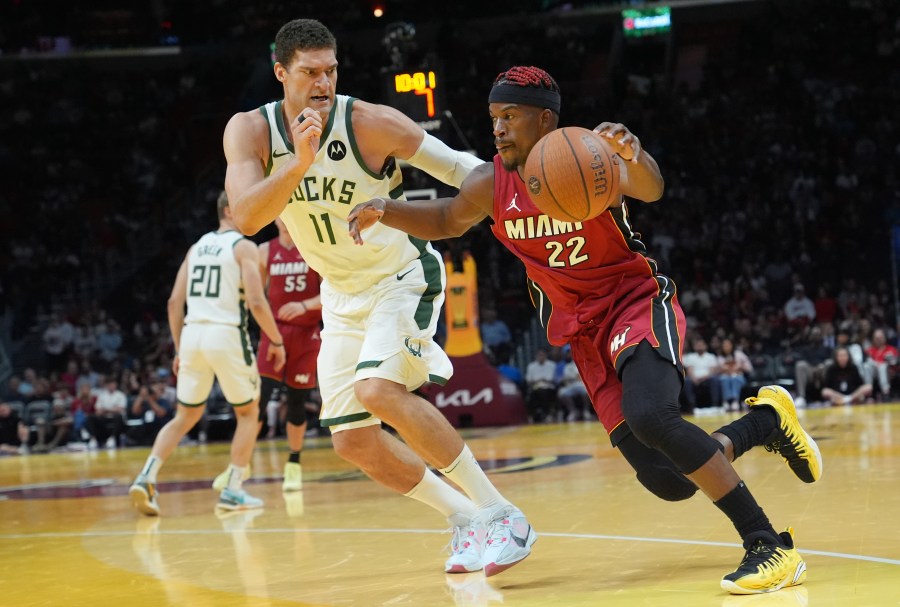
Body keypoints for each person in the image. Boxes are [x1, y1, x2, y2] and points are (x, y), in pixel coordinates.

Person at [348, 65, 823, 595]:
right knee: (669, 480)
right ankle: (763, 423)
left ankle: (769, 545)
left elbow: (651, 186)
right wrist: (386, 209)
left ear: (545, 119)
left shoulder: (587, 155)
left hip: (634, 303)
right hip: (581, 331)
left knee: (653, 417)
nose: (498, 128)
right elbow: (446, 220)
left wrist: (632, 154)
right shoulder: (489, 182)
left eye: (510, 116)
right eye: (493, 118)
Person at [222, 18, 535, 576]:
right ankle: (464, 518)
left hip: (400, 274)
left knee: (378, 390)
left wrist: (532, 196)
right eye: (309, 72)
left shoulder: (370, 122)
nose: (323, 82)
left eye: (331, 70)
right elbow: (246, 218)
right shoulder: (250, 131)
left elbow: (463, 169)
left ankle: (502, 513)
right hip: (341, 294)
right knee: (354, 444)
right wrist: (298, 161)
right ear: (280, 73)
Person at [129, 191, 286, 516]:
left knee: (184, 416)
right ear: (229, 210)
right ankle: (233, 489)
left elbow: (174, 303)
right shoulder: (243, 246)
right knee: (248, 413)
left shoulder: (195, 247)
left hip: (192, 335)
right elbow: (257, 302)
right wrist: (276, 340)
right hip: (225, 333)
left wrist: (177, 347)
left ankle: (146, 477)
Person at [212, 217, 323, 493]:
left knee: (296, 400)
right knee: (257, 402)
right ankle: (239, 465)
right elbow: (254, 297)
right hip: (274, 333)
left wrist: (304, 304)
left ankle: (293, 464)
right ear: (274, 217)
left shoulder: (313, 246)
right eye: (281, 215)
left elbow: (334, 290)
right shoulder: (264, 251)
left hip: (306, 332)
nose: (286, 220)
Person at [683, 337, 722, 410]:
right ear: (694, 347)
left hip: (707, 378)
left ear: (705, 346)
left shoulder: (711, 356)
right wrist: (694, 379)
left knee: (714, 379)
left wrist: (703, 378)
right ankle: (692, 405)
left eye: (701, 345)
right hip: (694, 379)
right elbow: (689, 370)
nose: (699, 347)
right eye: (698, 345)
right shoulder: (690, 356)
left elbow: (712, 371)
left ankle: (715, 404)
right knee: (686, 380)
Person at [718, 338, 753, 411]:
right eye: (724, 345)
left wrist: (740, 367)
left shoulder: (739, 354)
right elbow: (716, 371)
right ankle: (726, 401)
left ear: (732, 345)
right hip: (725, 377)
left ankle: (735, 401)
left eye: (728, 345)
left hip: (738, 376)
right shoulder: (720, 357)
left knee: (735, 379)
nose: (726, 347)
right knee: (724, 379)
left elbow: (749, 368)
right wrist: (723, 369)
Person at [524, 348, 557, 422]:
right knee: (533, 394)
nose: (541, 357)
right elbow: (528, 380)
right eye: (539, 355)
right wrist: (539, 380)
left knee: (544, 392)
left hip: (549, 387)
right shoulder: (531, 366)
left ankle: (548, 413)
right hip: (535, 387)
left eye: (542, 355)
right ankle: (532, 415)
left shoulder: (552, 365)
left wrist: (542, 380)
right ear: (536, 356)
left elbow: (552, 379)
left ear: (546, 356)